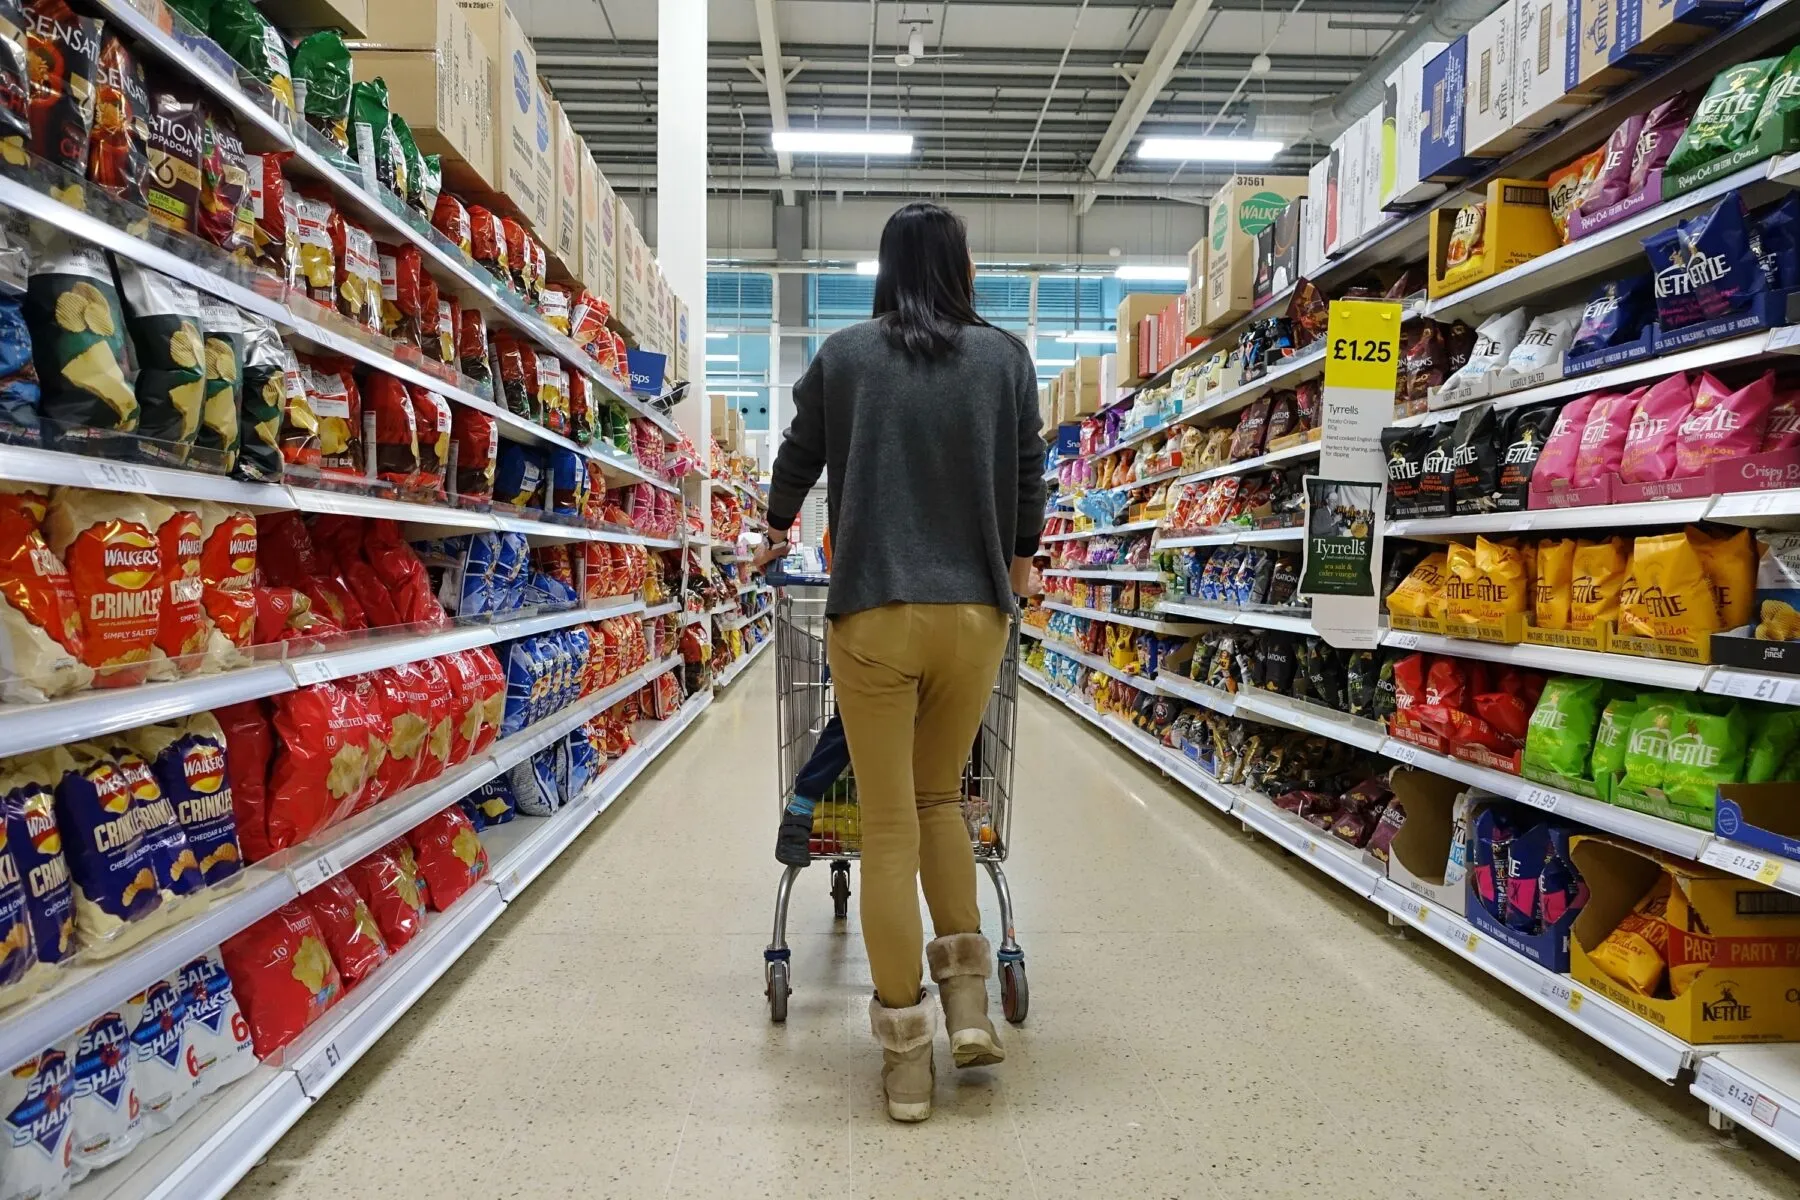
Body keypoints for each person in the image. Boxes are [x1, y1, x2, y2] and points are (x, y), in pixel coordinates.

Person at [757, 200, 1044, 1122]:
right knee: (941, 804)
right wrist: (1022, 554)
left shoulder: (845, 356)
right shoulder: (1004, 357)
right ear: (962, 268)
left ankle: (905, 1055)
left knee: (886, 828)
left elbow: (798, 457)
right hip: (973, 617)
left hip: (875, 612)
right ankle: (967, 1008)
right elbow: (1030, 473)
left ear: (884, 269)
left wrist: (771, 530)